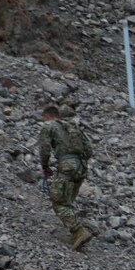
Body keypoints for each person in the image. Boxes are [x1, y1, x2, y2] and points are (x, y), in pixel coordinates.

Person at [38, 105, 94, 250]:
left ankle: (79, 231)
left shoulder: (48, 126)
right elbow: (89, 150)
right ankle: (74, 235)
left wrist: (45, 166)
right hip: (81, 167)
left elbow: (44, 149)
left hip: (67, 167)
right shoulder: (72, 127)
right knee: (67, 200)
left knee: (58, 202)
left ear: (46, 116)